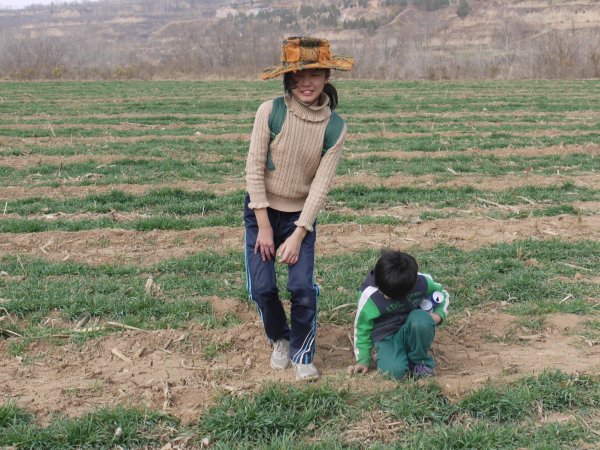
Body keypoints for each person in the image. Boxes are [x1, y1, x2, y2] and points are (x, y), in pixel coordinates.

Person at [244, 37, 354, 381]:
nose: (307, 82)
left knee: (302, 287)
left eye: (316, 74)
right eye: (299, 75)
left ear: (326, 77)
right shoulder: (270, 111)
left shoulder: (334, 127)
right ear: (289, 79)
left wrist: (298, 234)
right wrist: (263, 225)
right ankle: (280, 337)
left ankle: (303, 352)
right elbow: (253, 168)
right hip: (261, 210)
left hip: (299, 218)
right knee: (261, 288)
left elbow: (320, 187)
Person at [348, 249, 450, 380]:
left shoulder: (420, 282)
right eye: (384, 293)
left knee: (420, 320)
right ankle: (391, 356)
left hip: (413, 327)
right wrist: (363, 360)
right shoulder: (370, 296)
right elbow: (362, 328)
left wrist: (439, 315)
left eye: (388, 296)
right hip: (387, 337)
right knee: (394, 373)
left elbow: (443, 294)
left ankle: (420, 361)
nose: (385, 297)